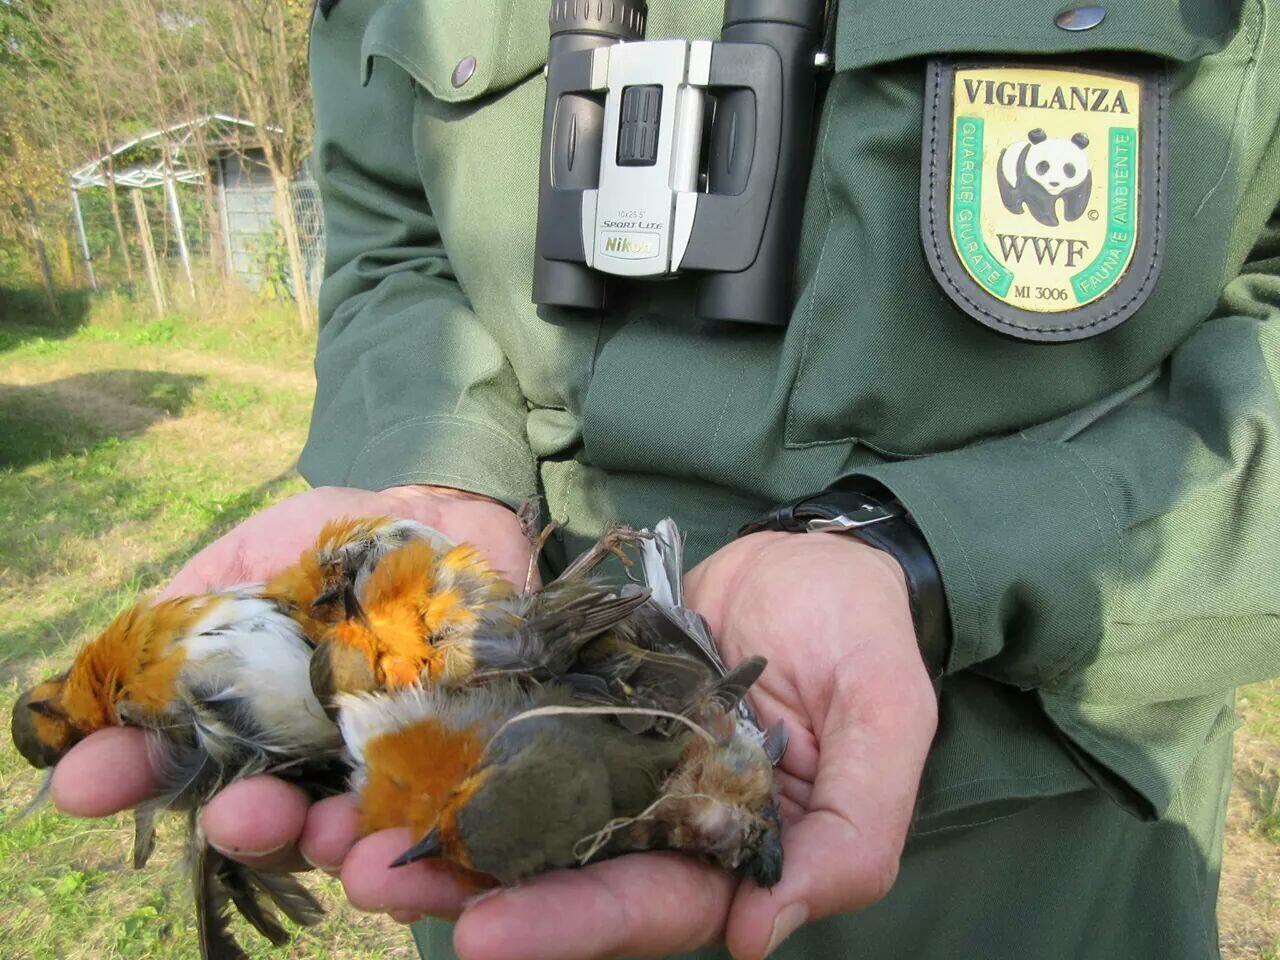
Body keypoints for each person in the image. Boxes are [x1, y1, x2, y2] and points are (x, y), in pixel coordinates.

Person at [49, 0, 1280, 958]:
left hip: (1032, 876)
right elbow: (388, 235)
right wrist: (430, 472)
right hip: (492, 832)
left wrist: (927, 555)